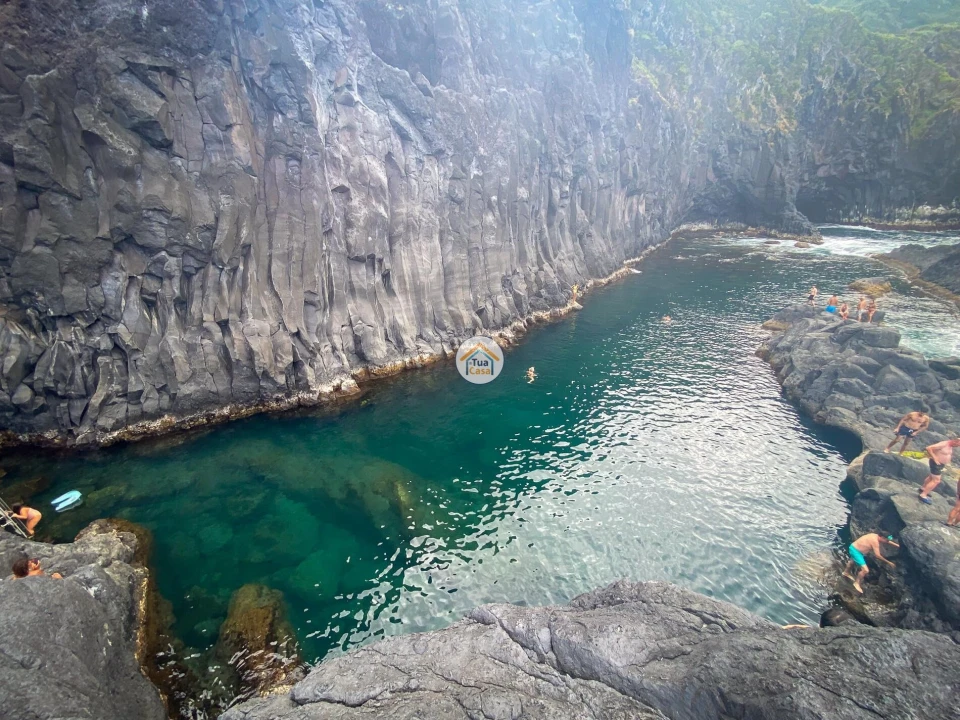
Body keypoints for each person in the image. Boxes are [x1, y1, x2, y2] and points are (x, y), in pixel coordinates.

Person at [918, 438, 960, 504]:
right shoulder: (943, 444)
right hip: (936, 464)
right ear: (955, 441)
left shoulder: (950, 445)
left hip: (940, 464)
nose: (958, 446)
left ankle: (923, 488)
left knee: (931, 477)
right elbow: (929, 448)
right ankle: (923, 495)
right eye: (958, 444)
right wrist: (935, 458)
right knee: (936, 480)